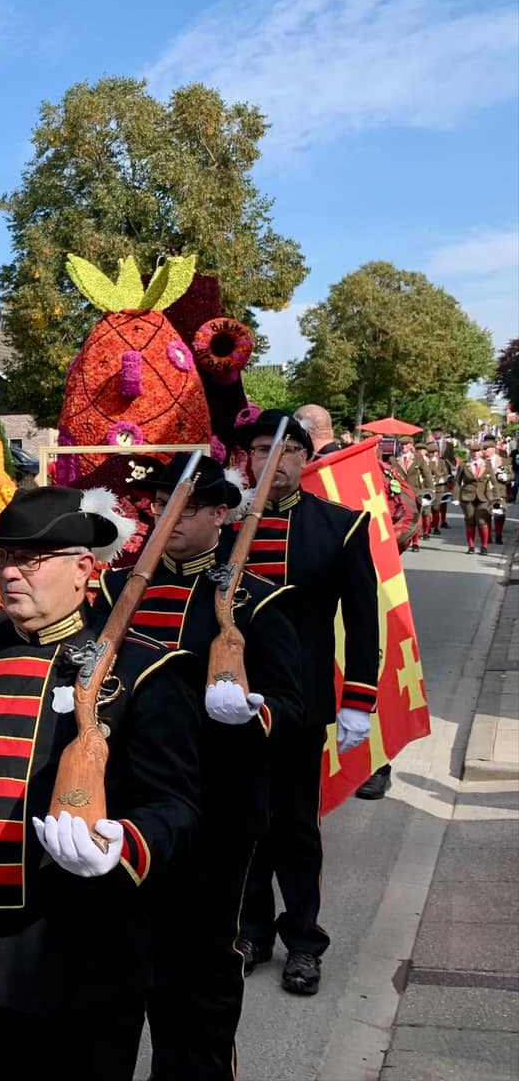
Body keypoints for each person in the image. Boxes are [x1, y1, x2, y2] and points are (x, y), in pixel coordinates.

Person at [0, 486, 201, 1081]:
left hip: (89, 952)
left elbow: (179, 808)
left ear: (84, 567)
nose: (10, 573)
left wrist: (124, 844)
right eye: (4, 557)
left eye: (31, 560)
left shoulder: (143, 668)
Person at [96, 458, 303, 1080]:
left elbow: (296, 709)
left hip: (214, 814)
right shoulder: (112, 592)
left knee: (198, 979)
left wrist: (253, 714)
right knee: (114, 974)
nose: (167, 517)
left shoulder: (255, 602)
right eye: (161, 504)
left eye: (184, 507)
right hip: (127, 807)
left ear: (221, 514)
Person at [228, 411, 380, 992]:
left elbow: (363, 625)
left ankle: (305, 941)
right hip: (233, 703)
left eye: (288, 449)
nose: (275, 460)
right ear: (248, 458)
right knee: (246, 822)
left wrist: (357, 701)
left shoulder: (338, 527)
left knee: (294, 826)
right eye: (263, 449)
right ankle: (251, 932)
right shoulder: (226, 524)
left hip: (303, 704)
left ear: (305, 457)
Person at [455, 443, 499, 556]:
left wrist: (496, 498)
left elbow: (493, 482)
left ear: (481, 452)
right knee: (470, 520)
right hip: (467, 496)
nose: (475, 454)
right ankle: (471, 546)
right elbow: (457, 482)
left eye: (477, 451)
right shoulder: (464, 465)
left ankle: (484, 546)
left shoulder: (487, 464)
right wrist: (455, 496)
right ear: (470, 453)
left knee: (482, 520)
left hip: (484, 497)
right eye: (473, 451)